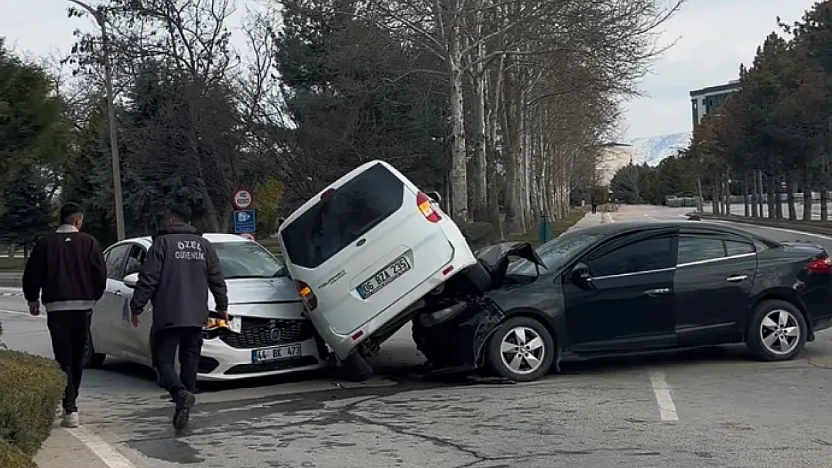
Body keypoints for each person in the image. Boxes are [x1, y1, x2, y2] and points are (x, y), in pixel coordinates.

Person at [129, 204, 228, 434]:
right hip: (196, 316)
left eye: (167, 219)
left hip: (168, 314)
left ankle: (180, 394)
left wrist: (137, 306)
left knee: (162, 360)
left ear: (173, 220)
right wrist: (222, 306)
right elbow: (216, 278)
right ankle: (185, 404)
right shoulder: (204, 245)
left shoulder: (161, 244)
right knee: (190, 359)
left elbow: (148, 278)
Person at [22, 203, 107, 429]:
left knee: (63, 357)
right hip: (83, 307)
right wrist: (94, 296)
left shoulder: (46, 244)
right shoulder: (89, 243)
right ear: (78, 220)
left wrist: (33, 299)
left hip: (56, 307)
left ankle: (69, 403)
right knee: (79, 355)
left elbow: (32, 274)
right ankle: (71, 402)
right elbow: (100, 274)